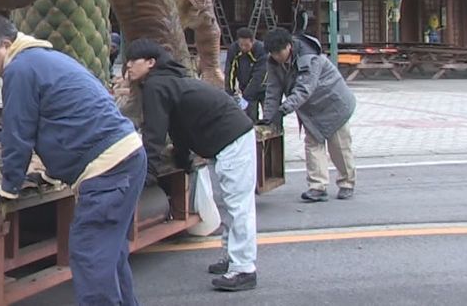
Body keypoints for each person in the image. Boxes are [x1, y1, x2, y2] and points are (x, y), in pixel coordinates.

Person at [0, 16, 146, 306]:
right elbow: (62, 120)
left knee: (90, 255)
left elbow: (18, 132)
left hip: (107, 168)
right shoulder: (47, 59)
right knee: (110, 256)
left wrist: (8, 188)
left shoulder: (20, 70)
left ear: (5, 45)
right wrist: (52, 174)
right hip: (127, 156)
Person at [124, 39, 258, 292]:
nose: (128, 65)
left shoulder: (155, 85)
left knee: (238, 205)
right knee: (232, 203)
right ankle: (233, 258)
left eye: (133, 60)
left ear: (150, 63)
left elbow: (155, 134)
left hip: (232, 137)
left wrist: (147, 174)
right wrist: (183, 160)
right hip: (228, 136)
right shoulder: (167, 81)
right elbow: (177, 127)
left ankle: (244, 269)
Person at [261, 28, 356, 202]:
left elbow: (304, 89)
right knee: (312, 144)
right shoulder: (273, 63)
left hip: (333, 104)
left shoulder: (310, 57)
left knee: (339, 147)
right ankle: (317, 186)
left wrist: (283, 110)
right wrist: (269, 116)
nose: (276, 56)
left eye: (279, 52)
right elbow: (273, 90)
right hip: (310, 110)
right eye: (272, 53)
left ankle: (347, 183)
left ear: (289, 46)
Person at [225, 27, 268, 121]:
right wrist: (230, 91)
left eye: (247, 45)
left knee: (270, 118)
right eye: (241, 45)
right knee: (250, 120)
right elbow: (230, 71)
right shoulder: (234, 49)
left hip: (264, 89)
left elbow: (260, 75)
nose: (243, 47)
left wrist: (247, 95)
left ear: (253, 41)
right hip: (245, 89)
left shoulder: (261, 49)